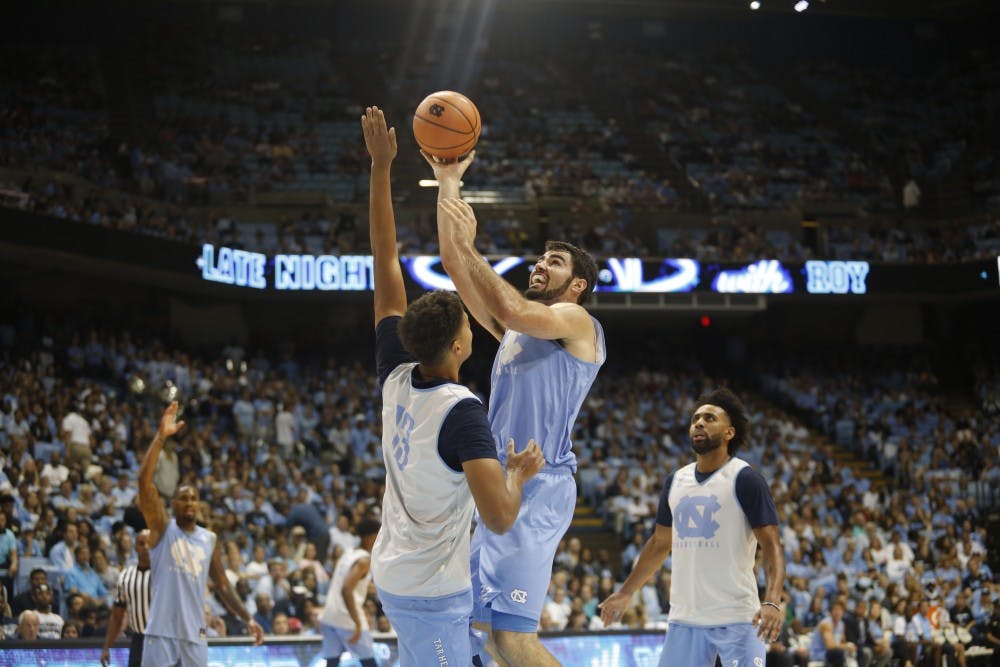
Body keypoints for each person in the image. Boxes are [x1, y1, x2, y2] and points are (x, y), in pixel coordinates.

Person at [361, 106, 544, 667]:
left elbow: (384, 259)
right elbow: (499, 517)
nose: (473, 325)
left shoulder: (397, 373)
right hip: (428, 589)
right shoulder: (463, 411)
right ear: (461, 348)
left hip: (396, 568)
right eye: (469, 323)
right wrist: (516, 473)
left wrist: (381, 167)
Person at [428, 155, 605, 666]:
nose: (539, 265)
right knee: (481, 633)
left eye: (554, 263)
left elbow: (508, 306)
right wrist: (448, 180)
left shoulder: (576, 320)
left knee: (512, 640)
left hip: (540, 485)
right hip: (503, 488)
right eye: (541, 258)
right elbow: (454, 264)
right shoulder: (516, 335)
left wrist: (469, 243)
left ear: (577, 286)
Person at [598, 388, 785, 667]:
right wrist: (626, 592)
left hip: (737, 617)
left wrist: (771, 601)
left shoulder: (745, 479)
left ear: (729, 433)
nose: (698, 423)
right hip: (685, 620)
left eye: (710, 418)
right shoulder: (675, 481)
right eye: (696, 418)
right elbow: (659, 544)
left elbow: (772, 546)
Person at [137, 402, 264, 666]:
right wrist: (160, 437)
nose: (190, 503)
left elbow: (223, 586)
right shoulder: (162, 528)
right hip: (161, 631)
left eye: (194, 499)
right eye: (184, 498)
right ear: (174, 504)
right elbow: (143, 482)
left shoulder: (209, 539)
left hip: (195, 632)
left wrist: (248, 618)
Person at [319, 519, 380, 667]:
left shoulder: (348, 553)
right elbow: (346, 589)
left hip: (328, 615)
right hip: (347, 619)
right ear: (370, 537)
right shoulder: (364, 560)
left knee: (332, 662)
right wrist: (357, 622)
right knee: (370, 662)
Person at [101, 529, 152, 667]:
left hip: (164, 640)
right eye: (142, 543)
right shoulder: (125, 576)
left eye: (150, 543)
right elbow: (117, 616)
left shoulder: (166, 573)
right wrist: (107, 647)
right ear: (135, 547)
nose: (146, 547)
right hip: (139, 639)